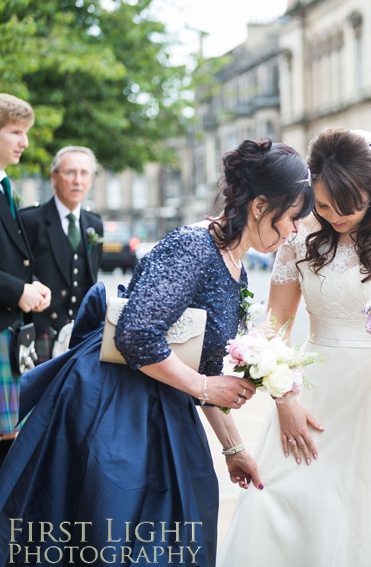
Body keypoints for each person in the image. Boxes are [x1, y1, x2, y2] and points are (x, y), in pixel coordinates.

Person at [0, 139, 314, 566]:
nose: (294, 230)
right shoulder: (193, 245)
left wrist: (233, 449)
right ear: (260, 206)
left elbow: (200, 370)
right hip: (112, 407)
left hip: (165, 405)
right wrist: (206, 385)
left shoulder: (235, 268)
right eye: (292, 218)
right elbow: (136, 335)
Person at [218, 128, 371, 566]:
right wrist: (285, 399)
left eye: (349, 207)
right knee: (292, 503)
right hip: (317, 395)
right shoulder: (297, 238)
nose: (335, 216)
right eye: (325, 205)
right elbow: (274, 328)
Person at [0, 94, 50, 465]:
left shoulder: (4, 186)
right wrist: (18, 290)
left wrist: (31, 286)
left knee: (11, 441)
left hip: (11, 328)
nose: (25, 142)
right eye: (16, 132)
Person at [19, 146, 104, 364]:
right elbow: (18, 270)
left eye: (84, 173)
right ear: (54, 177)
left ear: (91, 180)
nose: (78, 180)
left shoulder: (94, 224)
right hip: (40, 331)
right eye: (70, 172)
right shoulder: (30, 221)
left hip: (80, 333)